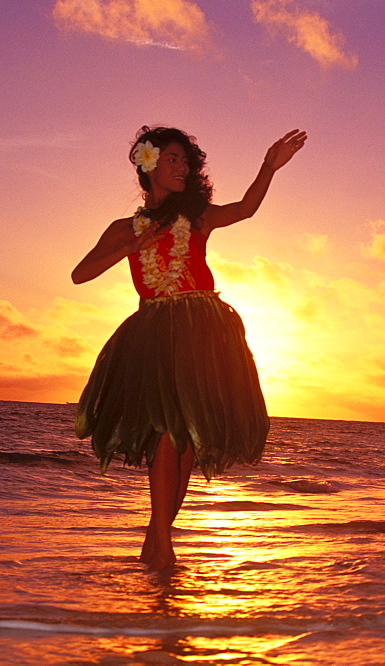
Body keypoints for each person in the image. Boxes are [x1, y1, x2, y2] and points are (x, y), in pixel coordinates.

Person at [72, 126, 307, 572]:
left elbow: (245, 210)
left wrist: (268, 167)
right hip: (154, 334)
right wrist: (127, 248)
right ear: (149, 165)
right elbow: (80, 275)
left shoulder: (196, 217)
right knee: (164, 430)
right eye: (174, 160)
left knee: (184, 443)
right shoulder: (123, 228)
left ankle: (155, 542)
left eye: (187, 162)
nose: (183, 168)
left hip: (202, 332)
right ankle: (163, 545)